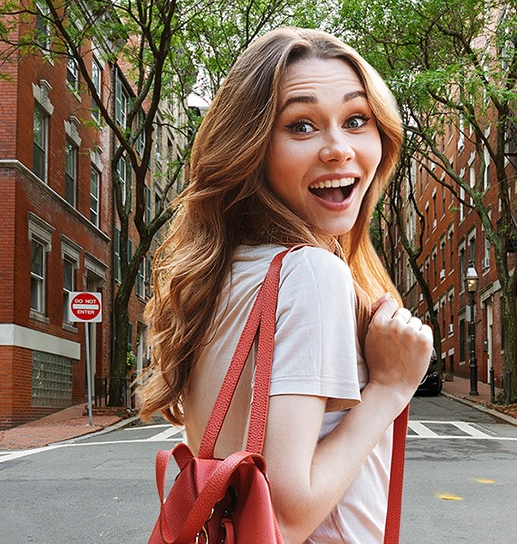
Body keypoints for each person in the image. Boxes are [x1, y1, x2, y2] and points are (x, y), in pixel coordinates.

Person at [139, 27, 433, 543]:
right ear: (252, 147)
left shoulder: (219, 275)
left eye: (356, 119)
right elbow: (287, 515)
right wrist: (391, 387)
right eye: (301, 126)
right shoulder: (310, 274)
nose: (339, 149)